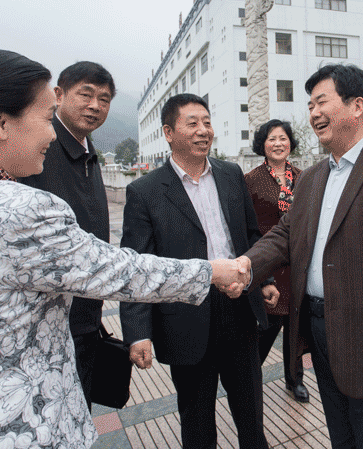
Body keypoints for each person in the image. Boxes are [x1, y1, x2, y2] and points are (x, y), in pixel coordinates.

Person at [0, 49, 249, 449]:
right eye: (46, 118)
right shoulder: (20, 209)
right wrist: (213, 271)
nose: (52, 135)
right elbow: (119, 271)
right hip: (16, 427)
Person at [240, 64, 363, 448]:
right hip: (318, 329)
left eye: (322, 102)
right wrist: (246, 266)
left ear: (357, 105)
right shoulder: (313, 177)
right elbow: (285, 234)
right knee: (341, 436)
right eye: (310, 105)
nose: (313, 113)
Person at [119, 93, 274, 449]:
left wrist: (261, 278)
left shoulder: (231, 174)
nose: (203, 130)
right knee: (197, 417)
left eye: (207, 122)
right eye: (192, 124)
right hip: (185, 317)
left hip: (238, 306)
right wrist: (137, 332)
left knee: (251, 409)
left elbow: (251, 235)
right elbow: (136, 266)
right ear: (169, 133)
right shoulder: (145, 192)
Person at [18, 61, 113, 411]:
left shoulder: (88, 152)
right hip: (46, 324)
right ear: (58, 94)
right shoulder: (38, 151)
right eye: (85, 95)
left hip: (85, 314)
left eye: (104, 99)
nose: (95, 106)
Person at [244, 119, 309, 403]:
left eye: (283, 138)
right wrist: (260, 275)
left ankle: (295, 379)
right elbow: (247, 228)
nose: (278, 144)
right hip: (269, 266)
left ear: (290, 143)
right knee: (265, 328)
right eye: (272, 139)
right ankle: (248, 378)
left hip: (297, 267)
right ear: (263, 145)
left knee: (295, 327)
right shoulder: (251, 180)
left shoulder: (304, 177)